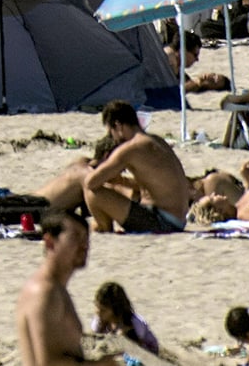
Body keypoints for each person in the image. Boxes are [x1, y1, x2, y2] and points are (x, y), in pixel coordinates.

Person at [84, 100, 190, 233]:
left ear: (118, 126)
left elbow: (90, 183)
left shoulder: (130, 149)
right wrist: (119, 181)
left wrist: (88, 170)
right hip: (178, 220)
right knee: (112, 187)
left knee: (92, 192)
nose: (112, 139)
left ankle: (103, 227)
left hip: (161, 222)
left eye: (111, 133)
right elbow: (156, 184)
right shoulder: (156, 141)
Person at [15, 211, 90, 366]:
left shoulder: (56, 289)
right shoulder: (43, 292)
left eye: (86, 238)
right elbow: (46, 363)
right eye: (75, 237)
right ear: (50, 242)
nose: (85, 245)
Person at [92, 282, 158, 359]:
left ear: (115, 310)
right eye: (97, 307)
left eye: (103, 310)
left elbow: (140, 350)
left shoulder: (135, 322)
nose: (98, 312)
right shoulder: (99, 321)